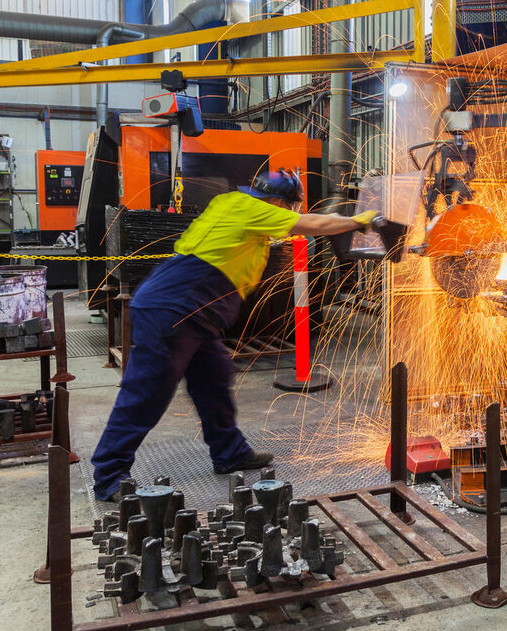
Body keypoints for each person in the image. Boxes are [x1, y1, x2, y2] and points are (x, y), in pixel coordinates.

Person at [91, 169, 374, 501]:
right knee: (146, 393)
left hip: (194, 312)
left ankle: (230, 452)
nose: (292, 215)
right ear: (279, 203)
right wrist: (361, 220)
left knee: (214, 381)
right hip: (175, 308)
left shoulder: (233, 204)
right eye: (291, 208)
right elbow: (315, 225)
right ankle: (109, 477)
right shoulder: (254, 211)